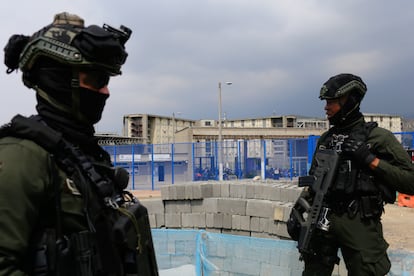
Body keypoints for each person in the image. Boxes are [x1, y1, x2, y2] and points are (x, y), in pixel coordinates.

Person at [0, 12, 158, 275]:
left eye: (107, 81)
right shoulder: (22, 157)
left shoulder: (82, 156)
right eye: (97, 80)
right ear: (60, 79)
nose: (105, 91)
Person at [287, 73, 414, 275]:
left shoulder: (378, 138)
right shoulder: (326, 140)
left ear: (350, 101)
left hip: (359, 223)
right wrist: (298, 209)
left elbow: (410, 181)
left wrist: (371, 160)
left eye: (332, 101)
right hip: (321, 221)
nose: (326, 107)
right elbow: (315, 181)